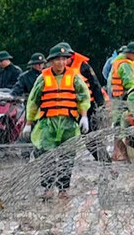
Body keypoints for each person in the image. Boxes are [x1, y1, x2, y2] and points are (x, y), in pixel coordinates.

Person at [26, 43, 91, 193]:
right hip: (48, 124)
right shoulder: (43, 77)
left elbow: (83, 97)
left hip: (68, 123)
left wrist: (84, 117)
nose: (61, 63)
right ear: (51, 61)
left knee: (67, 157)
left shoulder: (74, 76)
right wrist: (28, 123)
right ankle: (47, 189)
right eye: (57, 59)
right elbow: (33, 101)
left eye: (63, 59)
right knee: (46, 156)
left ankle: (63, 189)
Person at [107, 42, 134, 163]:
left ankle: (122, 154)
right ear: (128, 53)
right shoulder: (125, 65)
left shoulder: (123, 63)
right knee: (122, 127)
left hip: (120, 99)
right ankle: (125, 155)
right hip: (124, 99)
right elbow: (129, 83)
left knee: (119, 128)